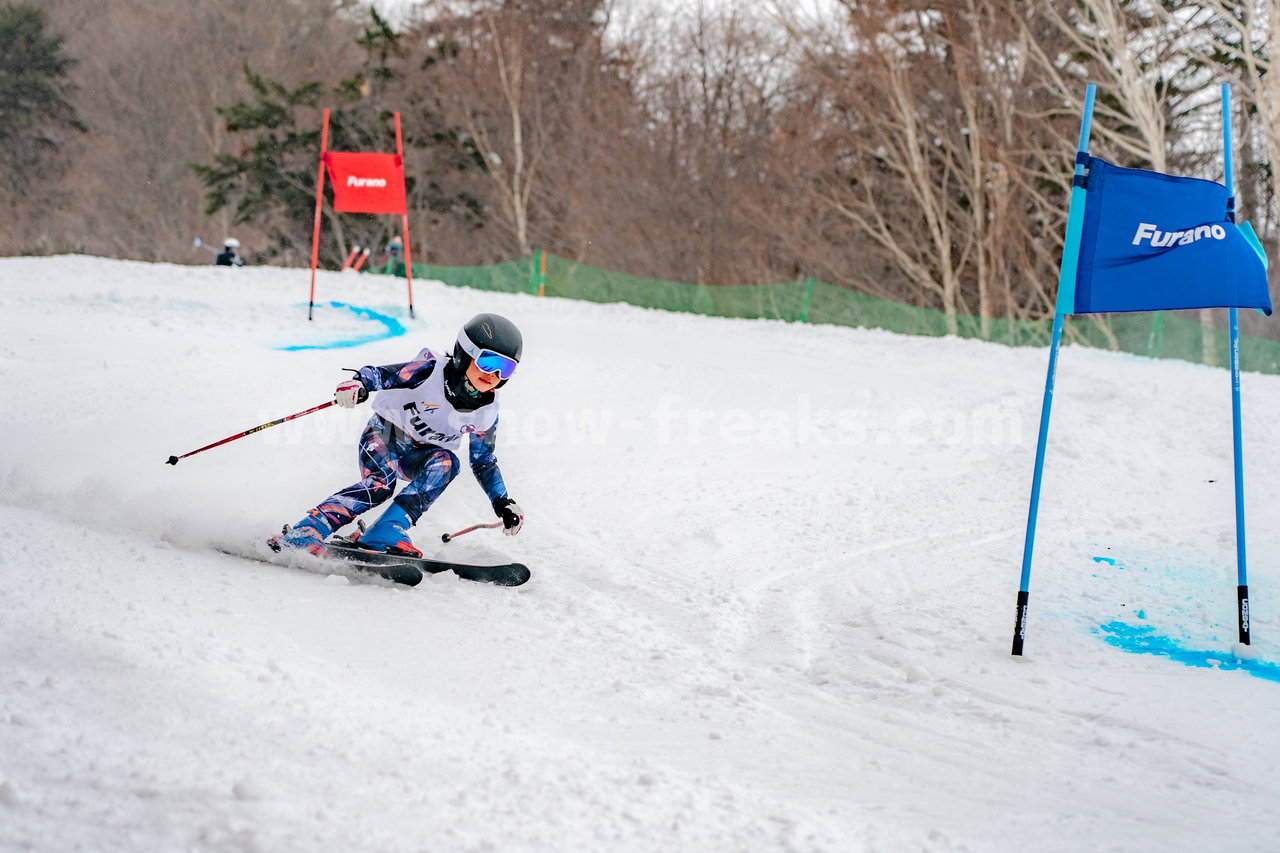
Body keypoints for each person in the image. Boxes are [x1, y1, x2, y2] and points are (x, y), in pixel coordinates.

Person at [270, 313, 526, 557]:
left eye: (506, 368)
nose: (493, 374)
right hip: (386, 434)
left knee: (448, 463)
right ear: (464, 354)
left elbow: (483, 461)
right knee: (380, 484)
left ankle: (385, 531)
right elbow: (382, 374)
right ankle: (308, 529)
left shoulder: (485, 411)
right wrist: (359, 383)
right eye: (488, 362)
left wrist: (502, 502)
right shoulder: (430, 371)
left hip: (421, 456)